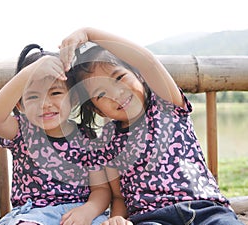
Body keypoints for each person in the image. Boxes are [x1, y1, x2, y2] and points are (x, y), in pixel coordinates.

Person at [59, 27, 245, 225]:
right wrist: (117, 219)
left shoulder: (166, 105)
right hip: (151, 217)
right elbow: (119, 196)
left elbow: (148, 62)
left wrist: (89, 34)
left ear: (139, 75)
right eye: (101, 94)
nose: (116, 93)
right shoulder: (107, 139)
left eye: (119, 78)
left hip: (206, 209)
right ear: (98, 110)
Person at [0, 44, 111, 225]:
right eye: (33, 96)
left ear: (74, 98)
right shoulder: (22, 130)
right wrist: (31, 71)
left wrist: (87, 211)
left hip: (78, 211)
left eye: (56, 93)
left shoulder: (86, 137)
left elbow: (101, 189)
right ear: (21, 105)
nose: (45, 104)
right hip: (33, 214)